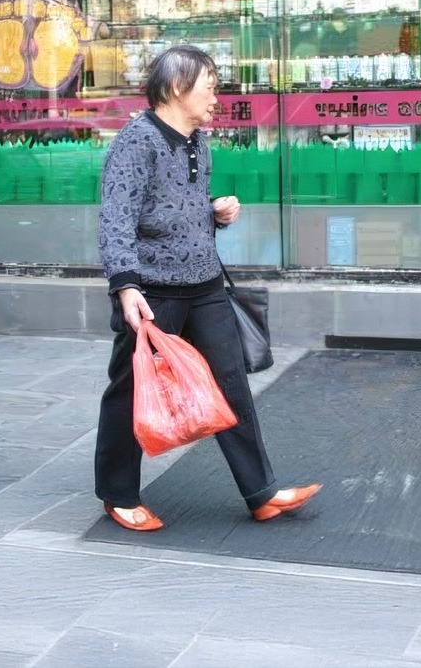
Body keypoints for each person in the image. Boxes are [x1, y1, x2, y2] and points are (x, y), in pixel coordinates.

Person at [95, 44, 321, 531]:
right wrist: (125, 286)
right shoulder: (136, 141)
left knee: (231, 384)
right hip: (152, 294)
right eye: (211, 85)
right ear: (177, 87)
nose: (217, 96)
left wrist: (215, 211)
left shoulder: (200, 141)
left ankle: (261, 491)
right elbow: (116, 220)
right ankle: (117, 494)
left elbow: (177, 207)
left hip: (205, 285)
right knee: (131, 390)